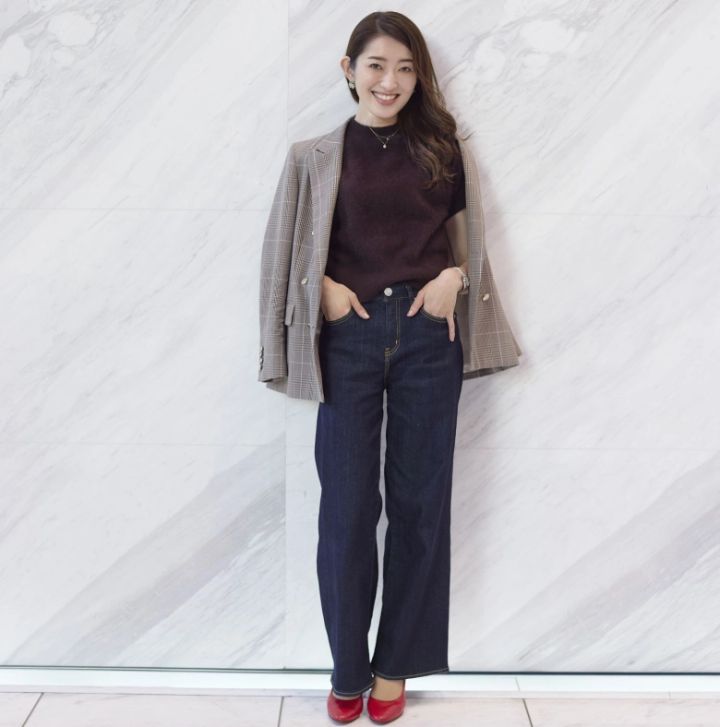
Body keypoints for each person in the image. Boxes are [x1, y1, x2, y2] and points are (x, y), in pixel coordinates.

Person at [258, 11, 522, 724]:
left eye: (406, 68)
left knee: (418, 504)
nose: (391, 81)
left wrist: (453, 280)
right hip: (348, 335)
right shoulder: (314, 155)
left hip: (427, 335)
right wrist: (325, 291)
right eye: (376, 65)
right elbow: (284, 250)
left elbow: (469, 246)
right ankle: (347, 664)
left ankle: (393, 666)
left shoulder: (442, 148)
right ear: (348, 70)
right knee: (347, 508)